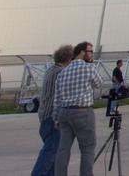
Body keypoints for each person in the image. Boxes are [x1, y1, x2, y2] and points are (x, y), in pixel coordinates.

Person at [53, 40, 100, 176]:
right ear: (82, 52)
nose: (92, 54)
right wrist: (91, 65)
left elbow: (57, 98)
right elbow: (98, 83)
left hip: (64, 112)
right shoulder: (88, 68)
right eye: (90, 51)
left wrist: (56, 118)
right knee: (87, 148)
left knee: (63, 149)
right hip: (82, 112)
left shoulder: (62, 73)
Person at [31, 44, 73, 176]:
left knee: (55, 155)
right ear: (69, 59)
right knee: (51, 151)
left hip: (44, 116)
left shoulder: (50, 70)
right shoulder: (62, 73)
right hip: (53, 118)